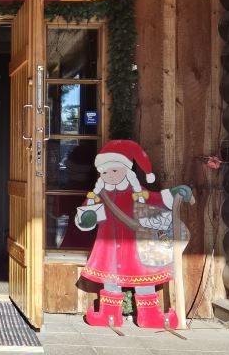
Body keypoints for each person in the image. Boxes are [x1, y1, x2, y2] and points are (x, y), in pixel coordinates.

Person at [75, 140, 193, 329]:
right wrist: (86, 218)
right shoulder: (98, 195)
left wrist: (174, 193)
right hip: (109, 249)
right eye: (104, 172)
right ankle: (109, 316)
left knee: (144, 281)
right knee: (111, 280)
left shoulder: (137, 193)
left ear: (126, 171)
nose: (109, 175)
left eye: (115, 170)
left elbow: (157, 199)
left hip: (136, 249)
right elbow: (85, 214)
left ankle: (150, 318)